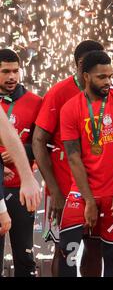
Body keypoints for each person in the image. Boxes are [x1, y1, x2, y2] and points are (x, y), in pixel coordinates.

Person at [58, 50, 113, 277]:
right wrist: (88, 201)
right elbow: (73, 157)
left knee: (112, 259)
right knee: (68, 253)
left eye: (110, 76)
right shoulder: (70, 108)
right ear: (85, 76)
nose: (108, 82)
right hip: (82, 192)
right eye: (101, 77)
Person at [32, 40, 105, 277]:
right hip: (64, 188)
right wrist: (54, 190)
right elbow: (38, 140)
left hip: (99, 187)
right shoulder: (59, 92)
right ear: (79, 65)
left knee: (95, 249)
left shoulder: (109, 93)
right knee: (64, 251)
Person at [0, 49, 42, 277]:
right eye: (5, 71)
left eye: (15, 71)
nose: (12, 77)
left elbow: (43, 144)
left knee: (25, 258)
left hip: (21, 191)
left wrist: (20, 152)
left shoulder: (36, 102)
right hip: (0, 187)